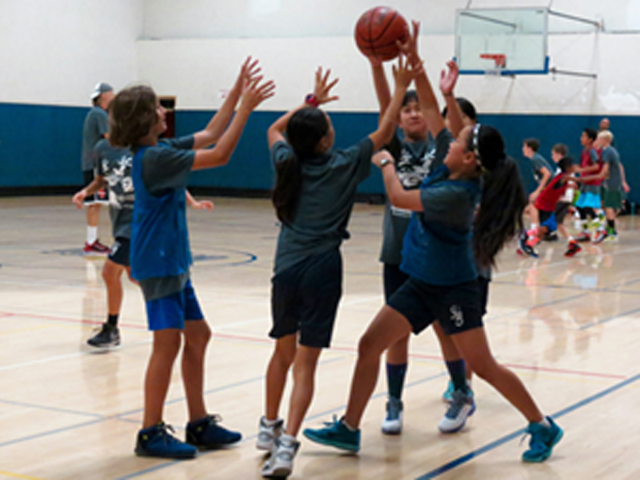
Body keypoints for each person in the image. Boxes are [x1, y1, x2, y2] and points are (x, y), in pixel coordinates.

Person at [302, 21, 563, 464]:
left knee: (484, 365)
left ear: (469, 158)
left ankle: (542, 424)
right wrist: (417, 62)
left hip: (452, 289)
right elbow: (431, 109)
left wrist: (385, 162)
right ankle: (349, 428)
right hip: (421, 282)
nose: (448, 138)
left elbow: (401, 196)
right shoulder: (453, 163)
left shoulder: (455, 195)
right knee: (369, 345)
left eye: (457, 140)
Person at [109, 57, 275, 459]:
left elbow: (211, 131)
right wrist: (248, 109)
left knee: (198, 335)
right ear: (144, 120)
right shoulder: (154, 159)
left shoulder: (160, 149)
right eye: (157, 109)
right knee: (167, 344)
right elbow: (220, 154)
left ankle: (198, 422)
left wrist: (236, 92)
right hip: (159, 262)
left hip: (174, 260)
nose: (165, 111)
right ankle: (149, 431)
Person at [258, 60, 418, 479]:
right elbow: (385, 133)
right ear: (327, 141)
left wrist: (309, 102)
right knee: (306, 365)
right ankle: (288, 446)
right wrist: (399, 87)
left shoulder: (285, 161)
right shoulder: (343, 164)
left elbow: (275, 130)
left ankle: (268, 426)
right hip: (323, 270)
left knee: (282, 352)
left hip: (286, 269)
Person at [72, 139, 214, 348]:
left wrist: (192, 202)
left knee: (109, 273)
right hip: (120, 223)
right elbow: (103, 180)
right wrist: (86, 191)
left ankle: (111, 328)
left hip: (139, 223)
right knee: (136, 276)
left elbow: (166, 177)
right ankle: (178, 307)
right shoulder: (103, 148)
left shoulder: (144, 149)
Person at [519, 156, 582, 257]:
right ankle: (526, 234)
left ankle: (528, 244)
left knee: (548, 229)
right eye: (572, 166)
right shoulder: (563, 177)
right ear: (567, 167)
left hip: (549, 205)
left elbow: (559, 192)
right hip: (543, 204)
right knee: (550, 227)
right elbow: (578, 179)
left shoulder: (563, 179)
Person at [81, 82, 114, 255]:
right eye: (111, 93)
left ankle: (92, 240)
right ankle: (91, 242)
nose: (113, 96)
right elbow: (109, 137)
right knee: (95, 203)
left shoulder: (95, 113)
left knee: (96, 204)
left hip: (91, 163)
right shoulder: (99, 114)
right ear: (103, 96)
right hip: (96, 164)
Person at [589, 130, 630, 243]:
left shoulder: (608, 152)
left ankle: (612, 232)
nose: (598, 141)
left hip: (611, 182)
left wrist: (598, 177)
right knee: (602, 204)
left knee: (609, 206)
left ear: (606, 140)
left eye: (600, 139)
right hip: (609, 182)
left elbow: (606, 168)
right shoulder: (608, 151)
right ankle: (605, 225)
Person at [518, 139, 553, 257]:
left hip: (551, 190)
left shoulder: (535, 159)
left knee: (533, 205)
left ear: (529, 148)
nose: (522, 149)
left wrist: (538, 191)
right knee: (528, 210)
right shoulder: (536, 159)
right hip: (550, 190)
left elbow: (547, 174)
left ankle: (530, 236)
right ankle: (532, 237)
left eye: (524, 146)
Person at [573, 128, 604, 242]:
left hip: (592, 183)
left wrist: (583, 169)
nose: (581, 138)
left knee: (588, 208)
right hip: (585, 183)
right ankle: (585, 232)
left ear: (590, 139)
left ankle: (601, 230)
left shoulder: (592, 151)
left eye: (584, 136)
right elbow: (582, 165)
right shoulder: (583, 151)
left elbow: (596, 166)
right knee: (579, 207)